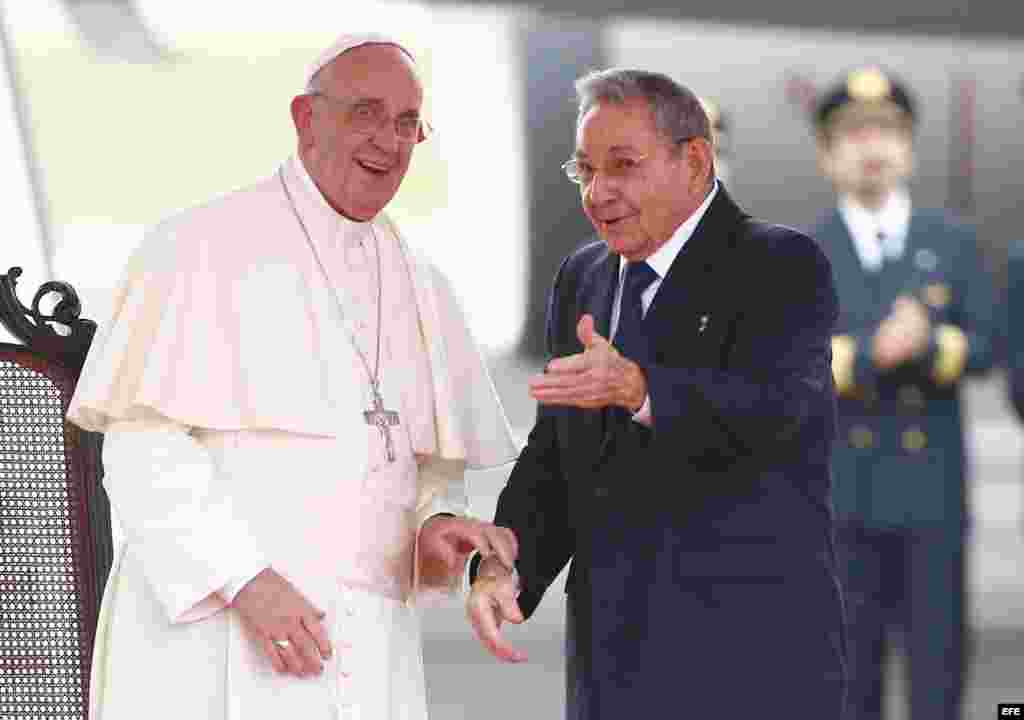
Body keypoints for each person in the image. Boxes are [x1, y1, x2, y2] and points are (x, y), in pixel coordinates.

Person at [66, 32, 520, 720]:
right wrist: (244, 580)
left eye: (406, 124)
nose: (388, 142)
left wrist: (436, 527)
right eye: (366, 113)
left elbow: (420, 469)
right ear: (306, 119)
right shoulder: (197, 247)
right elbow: (140, 448)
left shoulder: (423, 283)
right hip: (215, 635)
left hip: (363, 649)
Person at [465, 68, 847, 718]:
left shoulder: (781, 266)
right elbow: (557, 456)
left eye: (622, 166)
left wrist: (643, 391)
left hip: (749, 665)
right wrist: (505, 565)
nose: (597, 192)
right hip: (612, 666)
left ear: (695, 162)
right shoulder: (583, 276)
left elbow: (776, 415)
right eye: (584, 170)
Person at [809, 66, 996, 720]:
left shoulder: (952, 242)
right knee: (849, 678)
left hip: (931, 500)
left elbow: (992, 347)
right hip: (842, 503)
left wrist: (933, 342)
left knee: (937, 676)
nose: (872, 147)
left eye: (887, 132)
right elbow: (783, 365)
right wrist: (867, 352)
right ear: (826, 155)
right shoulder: (802, 252)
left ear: (910, 148)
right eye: (853, 133)